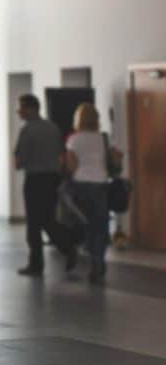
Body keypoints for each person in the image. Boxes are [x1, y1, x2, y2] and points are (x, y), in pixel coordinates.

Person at [14, 94, 77, 276]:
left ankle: (37, 263)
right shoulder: (53, 128)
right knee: (48, 218)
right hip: (52, 179)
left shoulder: (27, 130)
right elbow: (60, 154)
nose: (19, 111)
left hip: (35, 180)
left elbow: (20, 161)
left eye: (21, 107)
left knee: (34, 223)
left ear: (31, 109)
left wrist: (17, 157)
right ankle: (67, 244)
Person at [64, 103, 121, 282]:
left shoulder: (74, 139)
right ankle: (99, 262)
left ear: (78, 119)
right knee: (100, 225)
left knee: (85, 223)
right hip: (101, 185)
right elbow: (116, 161)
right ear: (97, 119)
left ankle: (84, 253)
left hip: (81, 185)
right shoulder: (105, 138)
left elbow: (70, 166)